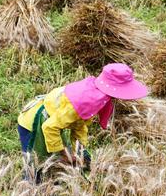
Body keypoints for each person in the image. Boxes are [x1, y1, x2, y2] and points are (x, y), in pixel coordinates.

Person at [17, 63, 148, 183]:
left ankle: (48, 191)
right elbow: (49, 127)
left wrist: (78, 151)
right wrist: (64, 154)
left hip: (54, 122)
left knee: (55, 164)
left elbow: (79, 124)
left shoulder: (96, 95)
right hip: (33, 123)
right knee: (35, 167)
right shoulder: (83, 100)